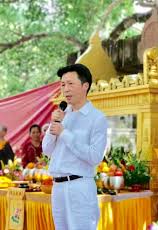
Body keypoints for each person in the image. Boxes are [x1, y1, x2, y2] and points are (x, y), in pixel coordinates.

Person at [42, 63, 108, 230]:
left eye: (70, 84)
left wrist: (65, 133)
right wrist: (53, 124)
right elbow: (47, 150)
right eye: (63, 85)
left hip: (79, 187)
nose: (65, 89)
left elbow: (94, 156)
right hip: (58, 187)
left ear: (85, 86)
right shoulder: (63, 114)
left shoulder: (96, 118)